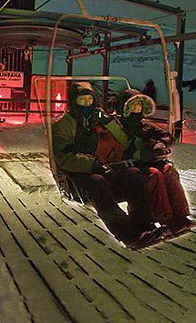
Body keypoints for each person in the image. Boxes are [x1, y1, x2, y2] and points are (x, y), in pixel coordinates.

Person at [52, 82, 157, 247]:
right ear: (74, 102)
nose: (87, 104)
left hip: (104, 168)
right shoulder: (64, 124)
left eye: (90, 100)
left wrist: (108, 122)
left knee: (134, 175)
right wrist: (93, 165)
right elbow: (63, 156)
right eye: (82, 100)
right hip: (78, 176)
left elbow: (124, 141)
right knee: (98, 183)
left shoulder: (96, 120)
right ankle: (128, 234)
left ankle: (144, 226)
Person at [119, 92, 196, 236]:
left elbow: (167, 136)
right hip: (133, 164)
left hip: (149, 160)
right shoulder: (119, 126)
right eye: (134, 106)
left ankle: (180, 215)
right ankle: (165, 218)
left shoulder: (145, 125)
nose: (137, 109)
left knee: (168, 170)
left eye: (140, 106)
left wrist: (161, 144)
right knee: (155, 175)